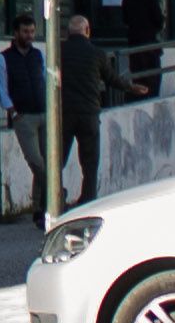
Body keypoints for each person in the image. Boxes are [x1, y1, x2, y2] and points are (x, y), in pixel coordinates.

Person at [57, 12, 141, 207]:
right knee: (89, 162)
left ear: (68, 32)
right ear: (87, 31)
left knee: (57, 160)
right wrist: (130, 87)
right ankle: (87, 201)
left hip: (65, 113)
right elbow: (111, 79)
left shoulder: (59, 51)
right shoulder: (97, 53)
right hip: (89, 113)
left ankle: (52, 200)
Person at [0, 15, 51, 216]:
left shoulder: (38, 55)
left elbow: (45, 80)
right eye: (25, 31)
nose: (29, 35)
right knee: (37, 162)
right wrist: (12, 111)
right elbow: (2, 88)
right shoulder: (4, 58)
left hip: (44, 113)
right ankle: (54, 195)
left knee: (47, 161)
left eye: (32, 31)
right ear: (16, 33)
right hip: (24, 117)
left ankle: (40, 207)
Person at [119, 0, 165, 100]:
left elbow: (125, 20)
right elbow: (158, 20)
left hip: (134, 44)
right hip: (149, 44)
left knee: (138, 79)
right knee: (152, 79)